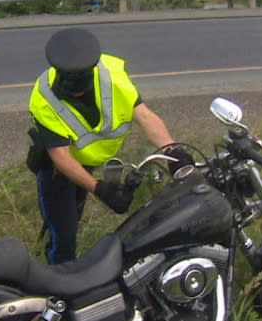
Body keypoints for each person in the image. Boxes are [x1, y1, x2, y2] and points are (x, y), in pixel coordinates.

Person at [26, 28, 192, 264]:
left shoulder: (112, 77)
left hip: (87, 162)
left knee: (72, 215)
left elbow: (144, 116)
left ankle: (47, 254)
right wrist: (100, 190)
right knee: (64, 234)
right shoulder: (43, 96)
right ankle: (58, 283)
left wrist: (172, 151)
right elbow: (60, 157)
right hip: (56, 170)